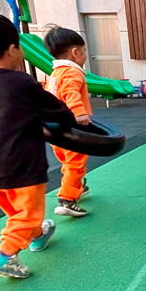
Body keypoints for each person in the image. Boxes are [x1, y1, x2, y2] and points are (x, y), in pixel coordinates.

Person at [0, 12, 77, 279]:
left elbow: (6, 114)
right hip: (20, 162)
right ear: (12, 49)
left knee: (19, 212)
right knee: (26, 213)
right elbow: (58, 111)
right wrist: (70, 121)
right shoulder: (22, 82)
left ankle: (37, 235)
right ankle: (3, 256)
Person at [43, 26, 93, 218]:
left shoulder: (55, 74)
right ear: (75, 52)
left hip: (55, 129)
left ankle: (76, 187)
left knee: (68, 162)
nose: (85, 55)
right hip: (72, 129)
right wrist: (80, 114)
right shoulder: (72, 72)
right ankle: (67, 199)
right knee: (76, 163)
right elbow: (71, 93)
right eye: (84, 51)